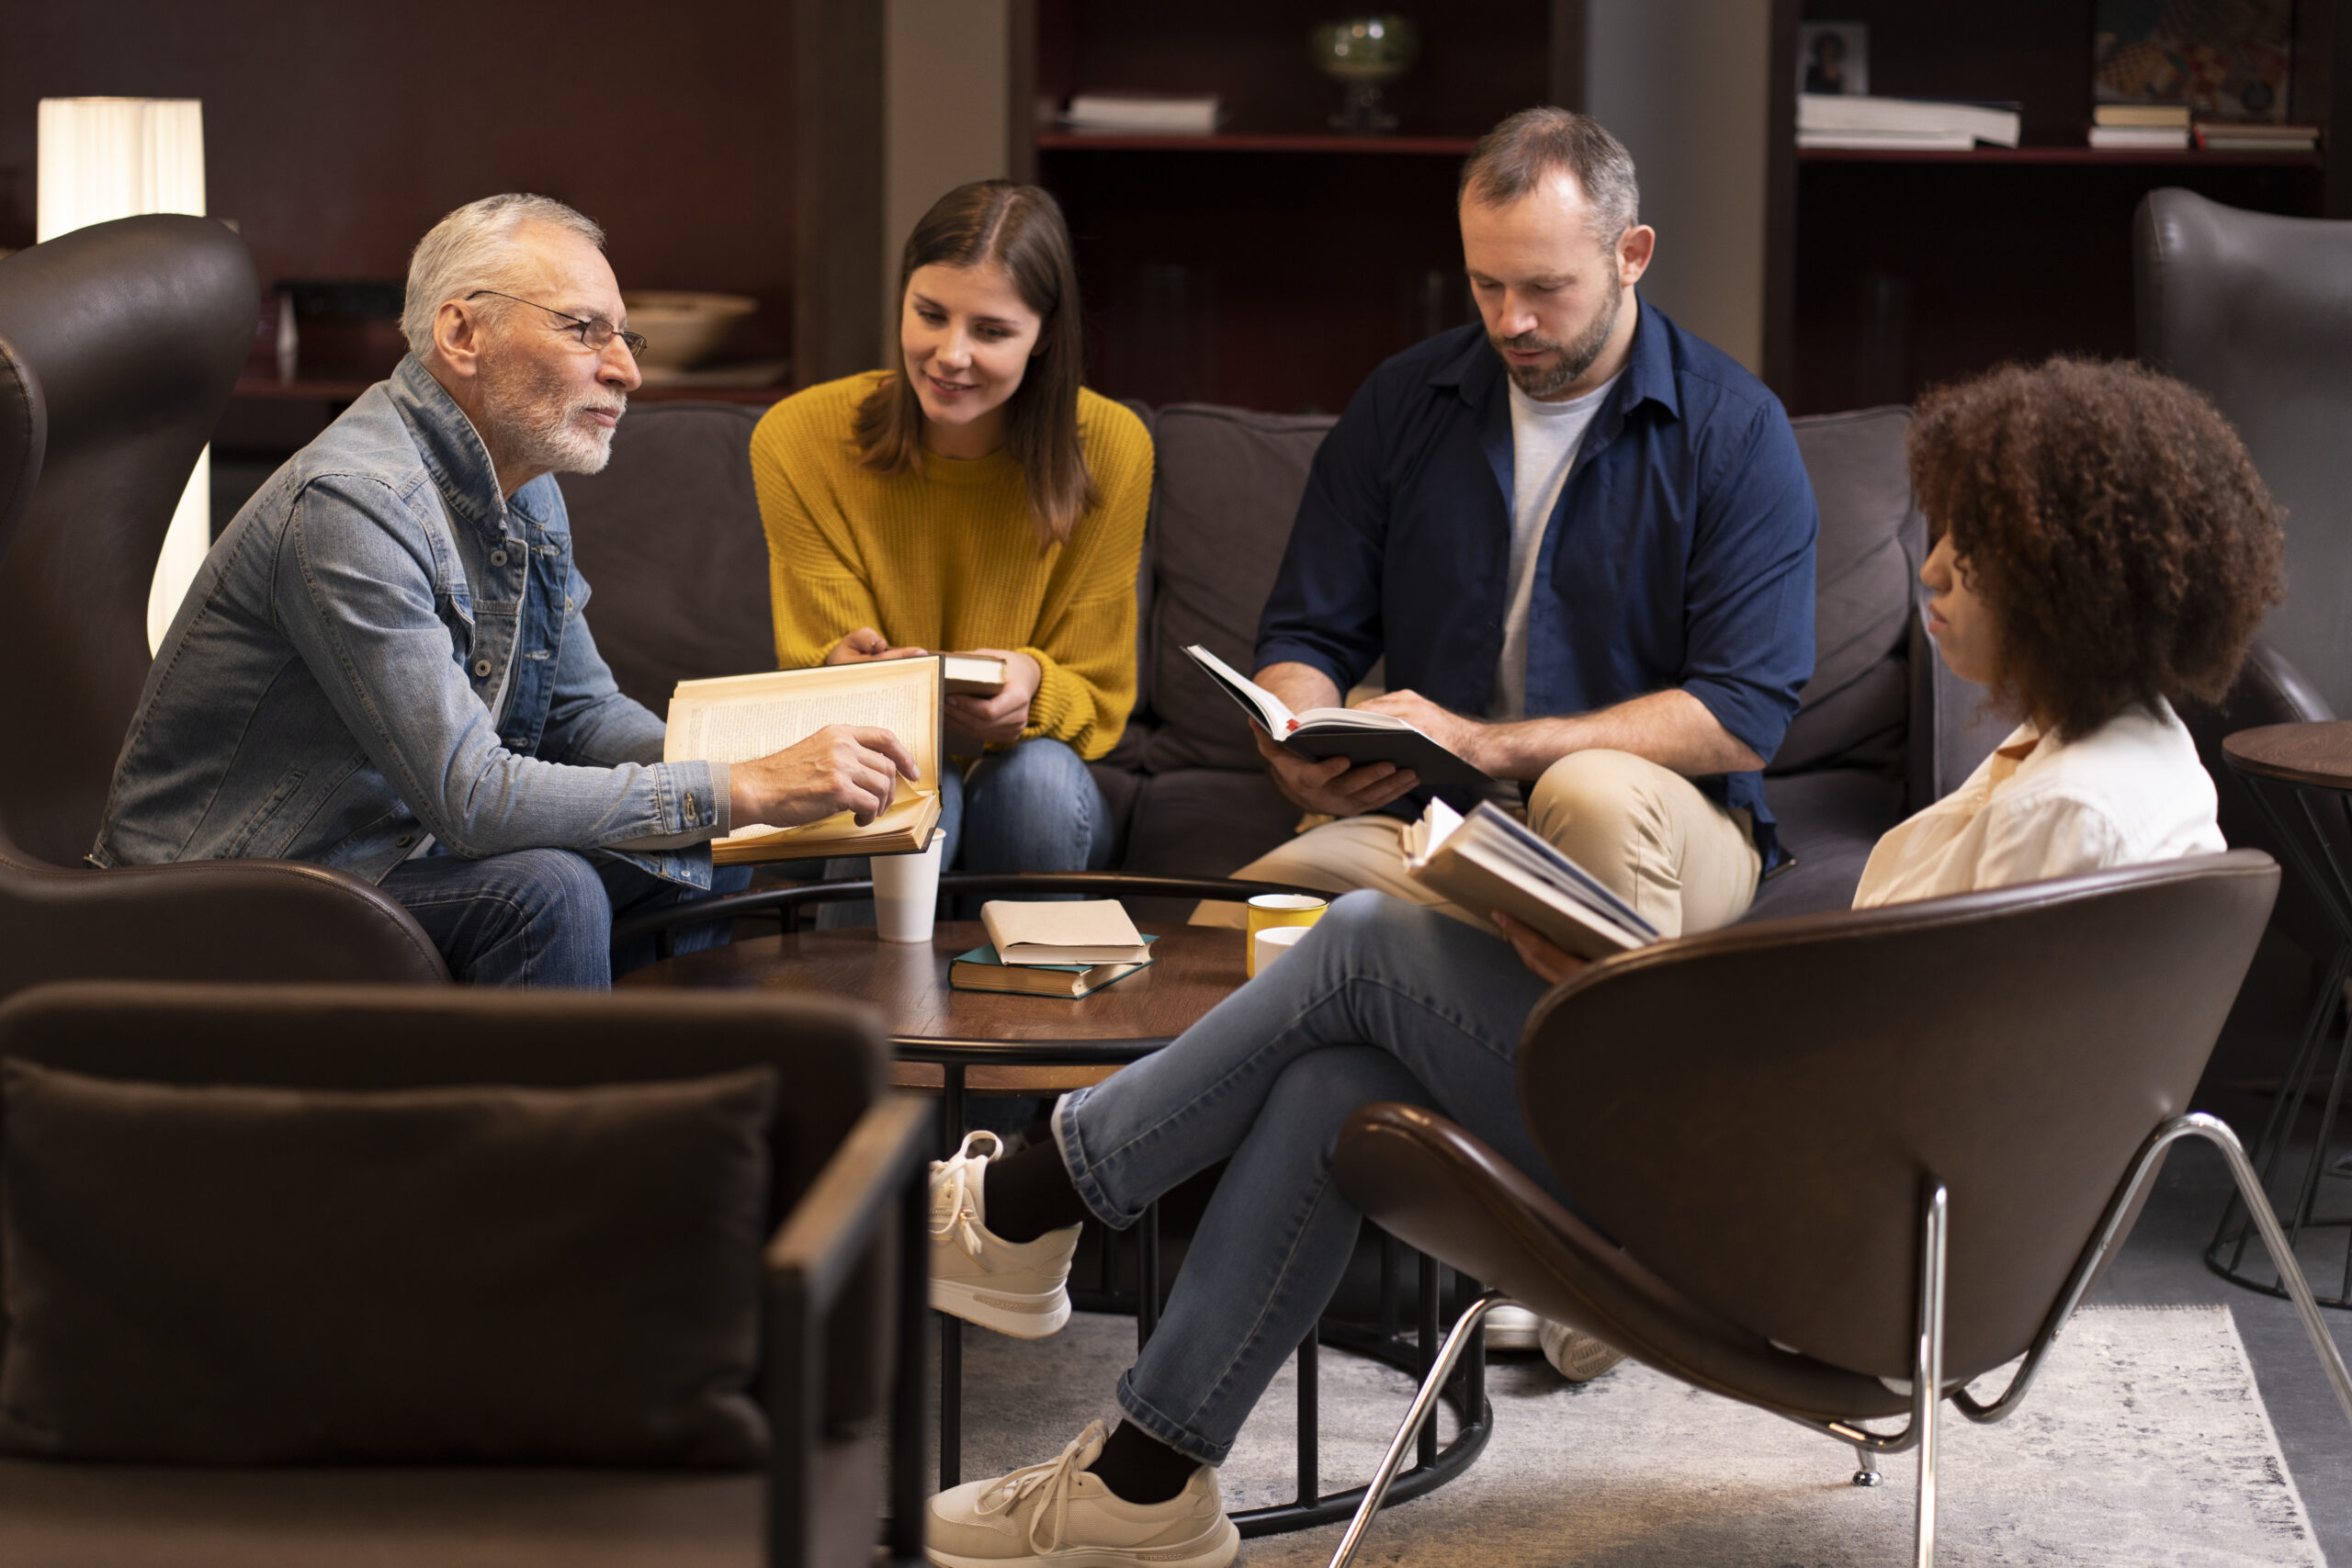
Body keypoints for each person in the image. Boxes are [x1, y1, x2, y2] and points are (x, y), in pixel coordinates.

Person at [917, 355, 2285, 1568]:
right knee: (1338, 1073)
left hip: (1812, 1238)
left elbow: (1915, 1094)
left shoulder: (2073, 813)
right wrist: (1612, 969)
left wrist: (1639, 1013)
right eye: (1943, 539)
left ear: (2073, 582)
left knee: (1367, 941)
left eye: (1976, 558)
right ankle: (1146, 1475)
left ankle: (1035, 1197)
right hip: (1842, 1199)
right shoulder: (2121, 760)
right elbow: (1904, 1048)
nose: (1932, 572)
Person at [92, 194, 921, 987]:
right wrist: (743, 786)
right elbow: (475, 798)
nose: (628, 369)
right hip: (217, 898)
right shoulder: (352, 506)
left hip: (378, 855)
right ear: (462, 332)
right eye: (585, 330)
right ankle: (561, 1136)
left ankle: (662, 1113)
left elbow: (580, 713)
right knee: (548, 888)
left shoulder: (523, 482)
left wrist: (753, 773)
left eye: (624, 336)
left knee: (700, 854)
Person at [1196, 106, 1817, 953]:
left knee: (1589, 789)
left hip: (1668, 823)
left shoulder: (1736, 431)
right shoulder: (1403, 402)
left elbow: (1742, 712)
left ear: (1631, 255)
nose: (1509, 320)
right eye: (1486, 284)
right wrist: (1298, 741)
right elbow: (1307, 631)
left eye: (1544, 288)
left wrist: (1491, 746)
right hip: (1435, 824)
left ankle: (1574, 1056)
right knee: (1224, 938)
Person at [751, 181, 1150, 913]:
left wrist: (1031, 680)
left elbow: (1098, 693)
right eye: (929, 314)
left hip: (1038, 780)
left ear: (1046, 334)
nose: (950, 356)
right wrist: (844, 672)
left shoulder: (1114, 449)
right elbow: (815, 665)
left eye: (992, 331)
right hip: (873, 758)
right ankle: (867, 1028)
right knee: (910, 775)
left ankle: (1030, 1020)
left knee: (1033, 781)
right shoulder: (797, 437)